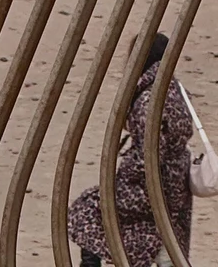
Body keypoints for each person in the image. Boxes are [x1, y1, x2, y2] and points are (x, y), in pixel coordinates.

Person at [68, 34, 194, 267]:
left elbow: (148, 155)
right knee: (143, 228)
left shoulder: (149, 99)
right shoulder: (174, 89)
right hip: (176, 186)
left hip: (152, 187)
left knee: (87, 209)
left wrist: (123, 176)